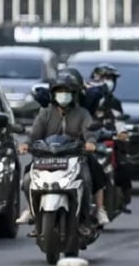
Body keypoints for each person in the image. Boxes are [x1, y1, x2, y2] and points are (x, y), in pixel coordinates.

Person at [16, 73, 110, 233]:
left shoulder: (82, 113)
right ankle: (31, 211)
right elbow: (35, 134)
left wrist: (90, 143)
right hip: (47, 157)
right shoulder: (45, 113)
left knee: (90, 177)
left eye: (67, 92)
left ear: (74, 94)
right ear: (53, 94)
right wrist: (26, 144)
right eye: (60, 91)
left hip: (76, 156)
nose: (63, 95)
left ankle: (94, 213)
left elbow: (89, 132)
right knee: (27, 179)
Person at [87, 64, 133, 209]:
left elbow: (120, 122)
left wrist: (122, 135)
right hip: (88, 140)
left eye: (110, 78)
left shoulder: (114, 102)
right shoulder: (85, 98)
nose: (107, 81)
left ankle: (121, 197)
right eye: (104, 78)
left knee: (123, 166)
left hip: (107, 140)